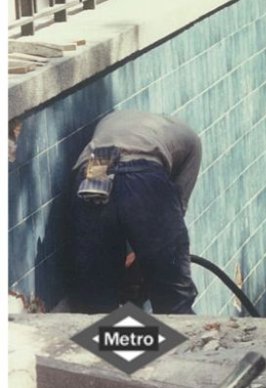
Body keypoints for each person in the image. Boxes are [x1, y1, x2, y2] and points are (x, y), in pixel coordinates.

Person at [70, 110, 202, 314]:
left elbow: (117, 197)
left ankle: (115, 343)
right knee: (173, 296)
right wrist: (143, 256)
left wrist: (134, 254)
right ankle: (176, 344)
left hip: (95, 166)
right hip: (143, 170)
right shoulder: (192, 142)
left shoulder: (113, 118)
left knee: (98, 298)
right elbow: (176, 208)